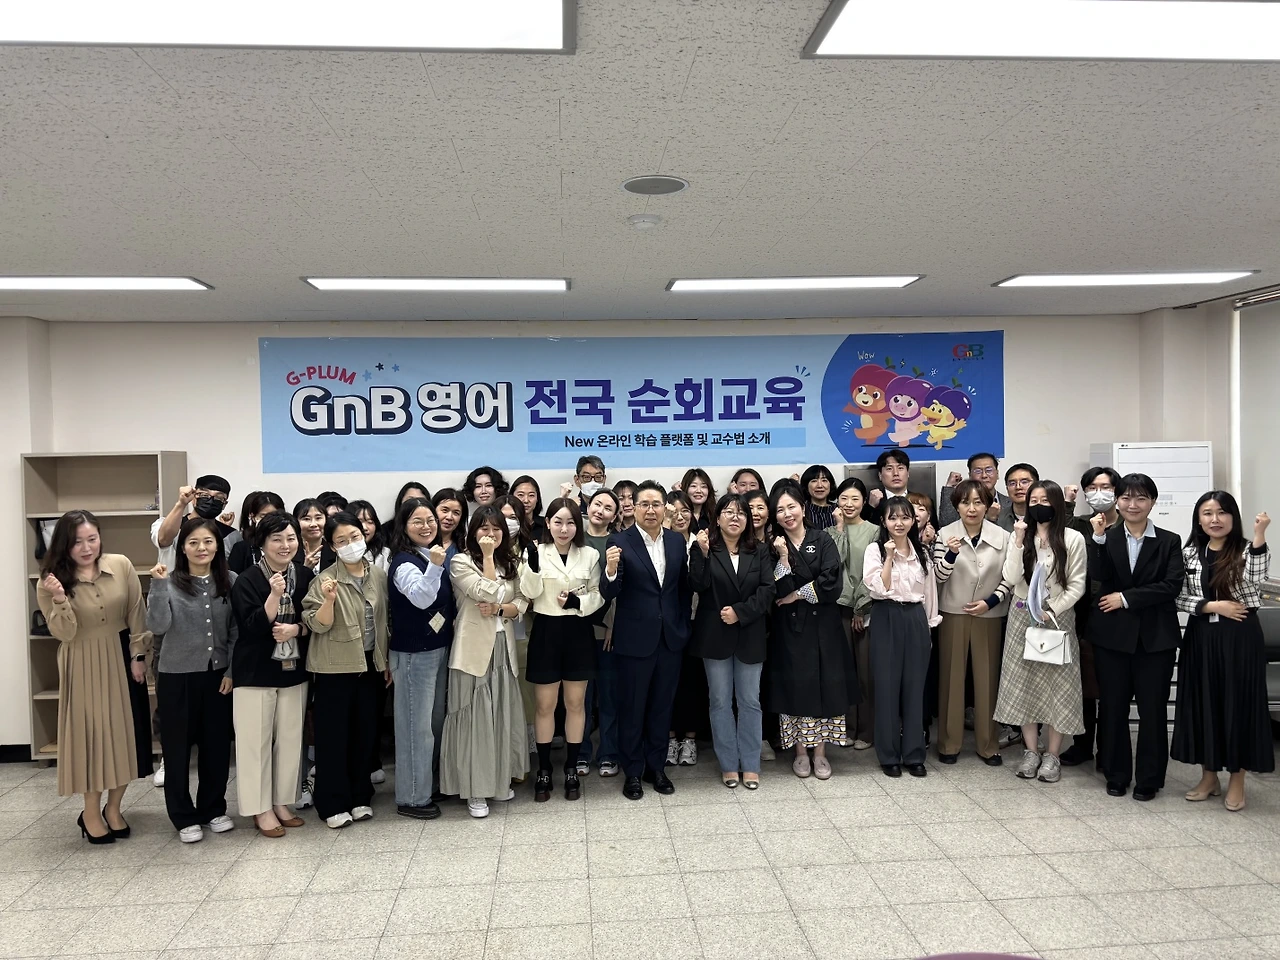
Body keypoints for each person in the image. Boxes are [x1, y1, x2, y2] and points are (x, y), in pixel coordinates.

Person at [37, 511, 150, 843]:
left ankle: (114, 808)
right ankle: (90, 812)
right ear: (64, 545)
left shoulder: (121, 565)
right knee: (92, 739)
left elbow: (136, 613)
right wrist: (60, 598)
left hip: (121, 655)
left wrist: (138, 656)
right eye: (77, 542)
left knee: (125, 736)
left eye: (92, 539)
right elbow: (64, 633)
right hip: (82, 660)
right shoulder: (50, 580)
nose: (87, 548)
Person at [1088, 473, 1185, 800]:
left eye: (1141, 498)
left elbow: (1171, 586)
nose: (1133, 504)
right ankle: (1116, 774)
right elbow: (1098, 577)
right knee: (1112, 708)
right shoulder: (1106, 537)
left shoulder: (1169, 541)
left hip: (1155, 640)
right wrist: (1097, 540)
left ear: (1152, 502)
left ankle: (1149, 779)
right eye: (1126, 497)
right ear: (1117, 501)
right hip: (1112, 638)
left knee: (1153, 710)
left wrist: (1125, 598)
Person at [1173, 493, 1272, 812]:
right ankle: (1209, 777)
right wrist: (1212, 606)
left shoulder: (1248, 549)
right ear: (1198, 519)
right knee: (1204, 703)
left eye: (1221, 512)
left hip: (1240, 636)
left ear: (1233, 517)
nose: (1214, 519)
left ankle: (1237, 780)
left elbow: (1256, 580)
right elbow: (1178, 597)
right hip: (1201, 635)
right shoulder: (1189, 553)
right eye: (1207, 513)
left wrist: (1259, 535)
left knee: (1237, 704)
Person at [146, 517, 237, 843]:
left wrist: (231, 671)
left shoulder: (230, 580)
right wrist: (157, 586)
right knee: (178, 750)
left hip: (218, 677)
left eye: (208, 542)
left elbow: (236, 631)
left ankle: (213, 809)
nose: (202, 548)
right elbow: (157, 626)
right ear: (182, 548)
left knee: (216, 747)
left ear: (217, 546)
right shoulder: (168, 583)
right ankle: (183, 816)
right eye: (194, 542)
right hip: (177, 677)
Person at [602, 481, 693, 800]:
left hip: (670, 639)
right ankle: (633, 771)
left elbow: (683, 589)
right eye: (644, 504)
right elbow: (609, 591)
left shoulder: (676, 541)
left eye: (656, 504)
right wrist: (610, 569)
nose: (650, 510)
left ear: (664, 508)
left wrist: (682, 625)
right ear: (634, 508)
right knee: (632, 708)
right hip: (634, 640)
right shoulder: (619, 540)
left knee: (661, 707)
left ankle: (657, 767)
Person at [993, 481, 1087, 784]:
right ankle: (1031, 751)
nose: (1038, 505)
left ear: (1057, 503)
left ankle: (1053, 755)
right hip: (1022, 616)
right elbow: (1011, 577)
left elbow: (1077, 585)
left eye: (1045, 500)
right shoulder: (1019, 535)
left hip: (1058, 618)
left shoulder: (1072, 538)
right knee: (1025, 684)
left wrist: (1052, 610)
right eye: (1033, 500)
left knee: (1058, 685)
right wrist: (1019, 541)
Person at [301, 512, 390, 829]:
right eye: (341, 540)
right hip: (334, 669)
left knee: (364, 735)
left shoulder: (378, 575)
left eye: (354, 537)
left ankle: (360, 796)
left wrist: (385, 662)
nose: (351, 544)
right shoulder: (324, 580)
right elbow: (317, 624)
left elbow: (385, 621)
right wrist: (329, 600)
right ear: (332, 546)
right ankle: (332, 802)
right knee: (333, 737)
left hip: (370, 666)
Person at [230, 512, 313, 838]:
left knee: (291, 741)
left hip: (294, 671)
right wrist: (274, 596)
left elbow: (315, 621)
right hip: (255, 673)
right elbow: (250, 628)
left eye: (290, 538)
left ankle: (281, 802)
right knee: (255, 744)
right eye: (276, 539)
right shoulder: (247, 579)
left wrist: (297, 629)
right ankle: (260, 808)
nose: (285, 545)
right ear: (262, 544)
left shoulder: (305, 575)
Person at [443, 506, 530, 818]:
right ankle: (475, 790)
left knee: (500, 716)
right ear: (473, 531)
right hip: (472, 652)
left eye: (496, 529)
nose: (490, 534)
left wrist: (500, 610)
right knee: (475, 721)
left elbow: (522, 601)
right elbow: (486, 590)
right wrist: (489, 557)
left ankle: (498, 780)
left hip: (503, 647)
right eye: (484, 528)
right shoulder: (460, 561)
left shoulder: (512, 562)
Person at [689, 494, 776, 789]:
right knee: (719, 701)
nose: (735, 517)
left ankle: (750, 763)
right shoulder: (705, 547)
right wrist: (701, 553)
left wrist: (740, 612)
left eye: (741, 513)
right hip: (714, 635)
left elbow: (767, 590)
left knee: (750, 701)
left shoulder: (759, 550)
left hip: (750, 634)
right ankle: (728, 763)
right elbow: (697, 585)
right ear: (717, 518)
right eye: (728, 512)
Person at [769, 483, 855, 780]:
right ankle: (800, 753)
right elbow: (777, 591)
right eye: (780, 509)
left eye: (791, 506)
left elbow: (832, 583)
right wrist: (783, 559)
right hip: (792, 629)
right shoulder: (774, 546)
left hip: (824, 625)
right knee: (796, 687)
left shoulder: (823, 539)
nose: (787, 513)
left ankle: (820, 753)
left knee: (826, 686)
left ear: (803, 508)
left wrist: (797, 594)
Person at [521, 498, 604, 801]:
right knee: (545, 705)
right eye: (557, 522)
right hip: (546, 631)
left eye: (570, 522)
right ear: (548, 524)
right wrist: (532, 566)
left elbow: (598, 595)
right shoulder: (535, 552)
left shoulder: (590, 554)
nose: (564, 528)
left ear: (577, 526)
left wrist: (576, 602)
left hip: (578, 632)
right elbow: (529, 593)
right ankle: (544, 769)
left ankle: (571, 767)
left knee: (575, 703)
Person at [933, 481, 1011, 765]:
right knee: (951, 678)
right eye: (965, 502)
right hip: (953, 611)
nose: (972, 508)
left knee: (987, 680)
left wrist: (990, 601)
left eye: (979, 502)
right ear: (956, 506)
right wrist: (951, 554)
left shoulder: (1003, 536)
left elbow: (1011, 577)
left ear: (988, 505)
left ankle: (988, 745)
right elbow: (938, 577)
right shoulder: (944, 534)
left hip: (989, 613)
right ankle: (948, 744)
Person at [387, 499, 454, 820]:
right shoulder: (404, 562)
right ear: (403, 525)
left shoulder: (428, 554)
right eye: (417, 521)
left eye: (430, 520)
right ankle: (412, 796)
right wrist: (437, 566)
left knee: (434, 723)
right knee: (416, 726)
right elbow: (421, 597)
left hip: (437, 649)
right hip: (413, 654)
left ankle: (428, 784)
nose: (426, 526)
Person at [862, 497, 939, 777]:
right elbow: (878, 588)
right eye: (893, 517)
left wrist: (928, 628)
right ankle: (889, 755)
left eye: (905, 517)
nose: (899, 523)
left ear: (913, 520)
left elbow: (929, 593)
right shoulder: (875, 549)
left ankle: (915, 754)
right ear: (883, 521)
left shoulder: (923, 552)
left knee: (915, 689)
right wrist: (890, 557)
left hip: (915, 618)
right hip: (886, 615)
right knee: (887, 688)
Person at [1060, 466, 1122, 768]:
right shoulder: (1081, 524)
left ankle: (1108, 749)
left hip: (1118, 612)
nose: (1100, 493)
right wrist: (1068, 502)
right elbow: (1059, 532)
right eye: (1093, 488)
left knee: (1112, 686)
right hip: (1083, 612)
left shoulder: (1127, 525)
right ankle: (1082, 745)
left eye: (1106, 487)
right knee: (1084, 684)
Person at [827, 478, 879, 751]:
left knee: (866, 672)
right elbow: (836, 565)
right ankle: (846, 728)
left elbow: (871, 571)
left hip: (865, 608)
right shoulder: (828, 532)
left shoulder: (874, 531)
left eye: (855, 499)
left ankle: (867, 731)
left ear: (864, 502)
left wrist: (860, 607)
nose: (849, 504)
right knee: (844, 671)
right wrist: (839, 528)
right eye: (844, 498)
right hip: (837, 607)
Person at [663, 489, 704, 765]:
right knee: (668, 683)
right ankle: (669, 738)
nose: (680, 516)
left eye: (685, 511)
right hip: (667, 622)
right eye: (673, 511)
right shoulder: (660, 542)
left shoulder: (700, 542)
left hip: (698, 621)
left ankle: (689, 739)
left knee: (693, 682)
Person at [583, 488, 621, 777]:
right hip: (577, 628)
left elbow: (621, 588)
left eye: (608, 508)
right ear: (588, 505)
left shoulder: (619, 542)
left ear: (615, 515)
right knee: (580, 698)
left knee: (608, 695)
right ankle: (581, 752)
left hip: (607, 630)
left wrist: (612, 624)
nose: (601, 510)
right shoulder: (574, 536)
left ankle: (608, 753)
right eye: (598, 504)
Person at [743, 488, 780, 762]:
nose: (755, 513)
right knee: (747, 688)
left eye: (760, 507)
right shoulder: (734, 541)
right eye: (750, 508)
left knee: (769, 681)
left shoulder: (778, 542)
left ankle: (770, 734)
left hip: (775, 619)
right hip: (745, 620)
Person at [153, 474, 236, 568]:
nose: (211, 500)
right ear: (194, 497)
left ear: (224, 504)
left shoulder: (231, 535)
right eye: (204, 495)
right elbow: (164, 539)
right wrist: (181, 503)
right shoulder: (166, 524)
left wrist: (223, 528)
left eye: (219, 498)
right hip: (173, 577)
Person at [939, 453, 1011, 527]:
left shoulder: (1010, 502)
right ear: (970, 475)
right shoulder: (962, 503)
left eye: (989, 470)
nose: (984, 475)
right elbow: (946, 525)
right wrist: (950, 487)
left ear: (997, 474)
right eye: (978, 471)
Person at [229, 492, 285, 574]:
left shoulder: (290, 545)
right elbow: (233, 578)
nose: (269, 520)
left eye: (274, 516)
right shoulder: (241, 549)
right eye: (263, 516)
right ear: (253, 517)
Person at [863, 450, 911, 523]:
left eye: (900, 468)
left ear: (908, 473)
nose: (896, 473)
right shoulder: (870, 502)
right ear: (880, 475)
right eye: (889, 469)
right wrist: (871, 507)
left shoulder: (920, 502)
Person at [349, 500, 391, 572]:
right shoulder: (343, 551)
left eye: (370, 522)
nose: (364, 527)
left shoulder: (385, 554)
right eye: (359, 522)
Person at [1000, 463, 1040, 533]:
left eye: (1024, 482)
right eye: (1012, 483)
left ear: (1036, 485)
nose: (1018, 487)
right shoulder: (999, 519)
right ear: (1007, 488)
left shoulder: (1046, 516)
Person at [293, 498, 329, 572]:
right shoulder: (290, 552)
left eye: (318, 518)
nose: (313, 524)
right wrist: (305, 569)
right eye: (306, 519)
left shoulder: (335, 551)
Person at [678, 467, 717, 534]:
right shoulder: (678, 516)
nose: (699, 491)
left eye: (703, 486)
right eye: (693, 486)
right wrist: (679, 495)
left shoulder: (713, 515)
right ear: (685, 488)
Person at [800, 464, 837, 530]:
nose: (820, 485)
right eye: (814, 481)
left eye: (824, 480)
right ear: (806, 486)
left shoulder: (838, 510)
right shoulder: (802, 511)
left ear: (830, 485)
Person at [511, 475, 548, 543]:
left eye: (531, 495)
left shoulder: (546, 525)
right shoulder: (506, 524)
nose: (526, 500)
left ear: (537, 499)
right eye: (520, 495)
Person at [433, 488, 469, 552]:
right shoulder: (421, 543)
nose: (449, 517)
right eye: (445, 510)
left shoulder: (465, 548)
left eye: (456, 513)